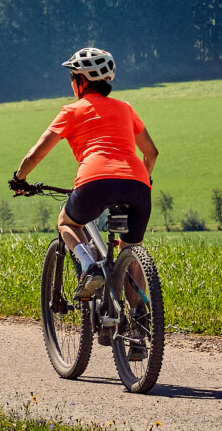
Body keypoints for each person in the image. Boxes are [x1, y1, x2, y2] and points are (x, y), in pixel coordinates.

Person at [10, 46, 157, 298]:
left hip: (95, 181)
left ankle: (89, 267)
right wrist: (142, 178)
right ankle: (139, 322)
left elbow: (36, 154)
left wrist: (20, 179)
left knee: (66, 222)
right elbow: (151, 152)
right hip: (137, 184)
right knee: (131, 249)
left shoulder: (72, 111)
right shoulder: (126, 108)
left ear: (80, 80)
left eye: (72, 78)